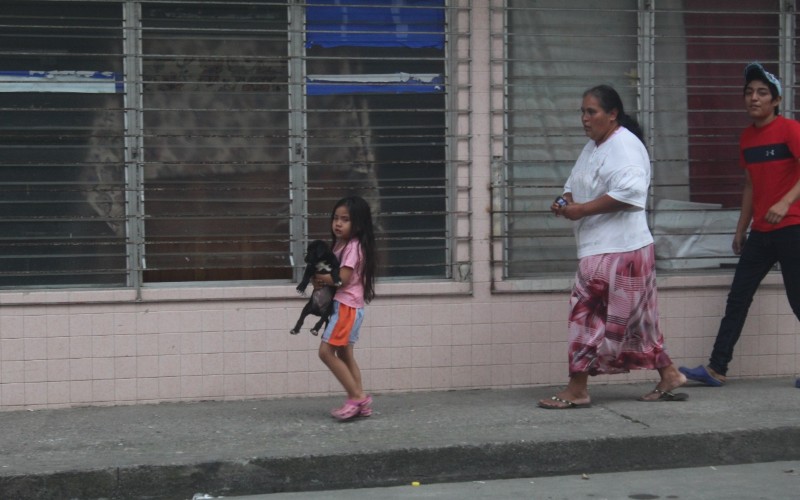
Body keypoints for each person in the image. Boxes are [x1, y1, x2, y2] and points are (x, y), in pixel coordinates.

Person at [538, 84, 688, 409]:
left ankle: (577, 388)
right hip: (615, 248)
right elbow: (574, 185)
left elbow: (631, 194)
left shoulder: (625, 146)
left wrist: (581, 210)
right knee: (640, 320)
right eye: (582, 112)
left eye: (591, 112)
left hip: (617, 249)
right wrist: (564, 201)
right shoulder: (593, 147)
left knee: (585, 314)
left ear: (612, 114)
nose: (584, 118)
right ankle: (670, 374)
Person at [680, 62, 800, 389]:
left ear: (776, 100)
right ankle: (717, 368)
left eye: (762, 93)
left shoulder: (790, 129)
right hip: (761, 232)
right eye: (749, 93)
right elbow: (750, 184)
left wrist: (785, 203)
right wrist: (740, 228)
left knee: (797, 299)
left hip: (792, 228)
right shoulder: (747, 138)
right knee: (738, 298)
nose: (754, 98)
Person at [314, 195, 378, 419]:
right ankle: (360, 398)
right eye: (336, 218)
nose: (338, 223)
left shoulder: (352, 247)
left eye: (345, 219)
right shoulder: (343, 244)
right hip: (349, 307)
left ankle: (357, 397)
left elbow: (342, 278)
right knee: (345, 353)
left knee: (325, 352)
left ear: (358, 224)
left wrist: (319, 277)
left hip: (346, 308)